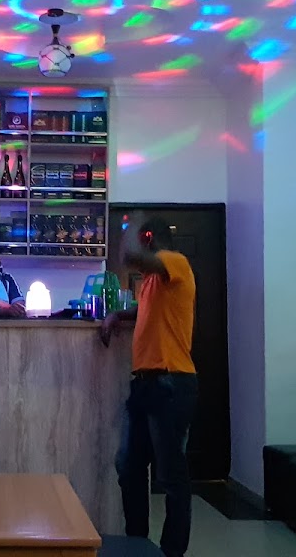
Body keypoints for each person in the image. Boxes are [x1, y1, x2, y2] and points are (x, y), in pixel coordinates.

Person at [100, 215, 197, 557]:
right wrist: (118, 315)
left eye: (143, 240)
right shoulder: (153, 282)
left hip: (171, 381)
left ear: (150, 239)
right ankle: (137, 544)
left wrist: (128, 231)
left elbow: (133, 257)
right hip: (146, 384)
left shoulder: (176, 262)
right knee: (129, 467)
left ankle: (171, 552)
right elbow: (146, 312)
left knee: (171, 477)